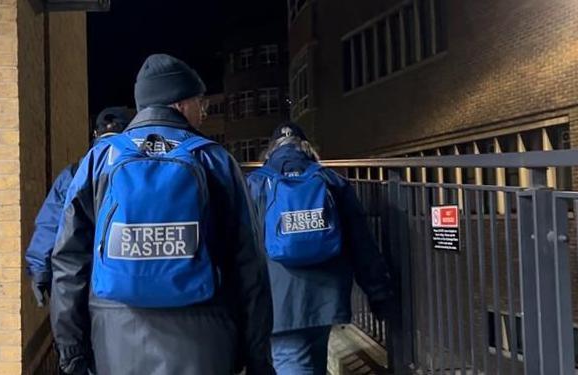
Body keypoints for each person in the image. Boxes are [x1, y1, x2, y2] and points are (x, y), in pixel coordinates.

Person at [50, 54, 274, 375]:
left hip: (115, 335)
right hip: (206, 337)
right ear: (180, 103)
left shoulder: (99, 160)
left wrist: (71, 350)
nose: (203, 112)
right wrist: (257, 355)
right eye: (201, 103)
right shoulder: (214, 159)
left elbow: (69, 262)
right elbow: (248, 264)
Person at [246, 122, 397, 375]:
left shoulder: (255, 185)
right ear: (307, 149)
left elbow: (242, 248)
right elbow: (361, 242)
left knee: (291, 359)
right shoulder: (331, 181)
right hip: (327, 297)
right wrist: (378, 290)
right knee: (313, 360)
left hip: (278, 298)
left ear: (270, 151)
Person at [24, 106, 132, 307]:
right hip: (125, 272)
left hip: (80, 272)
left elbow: (50, 222)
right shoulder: (140, 170)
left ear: (95, 133)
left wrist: (40, 270)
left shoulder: (75, 172)